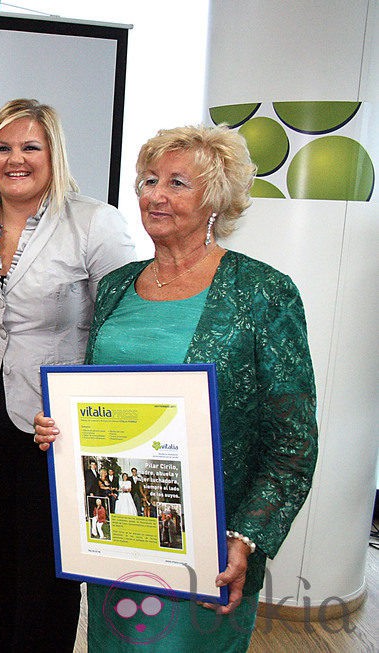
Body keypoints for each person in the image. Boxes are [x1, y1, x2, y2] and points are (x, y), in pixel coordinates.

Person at [35, 124, 318, 651]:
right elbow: (105, 402)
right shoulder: (118, 285)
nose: (156, 195)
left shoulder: (264, 292)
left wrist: (246, 534)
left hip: (209, 549)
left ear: (215, 199)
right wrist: (62, 429)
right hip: (119, 535)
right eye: (147, 181)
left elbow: (293, 441)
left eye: (177, 183)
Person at [0, 97, 135, 651]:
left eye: (31, 146)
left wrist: (92, 415)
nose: (15, 159)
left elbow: (123, 328)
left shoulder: (96, 222)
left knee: (49, 576)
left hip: (54, 428)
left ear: (54, 154)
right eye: (2, 148)